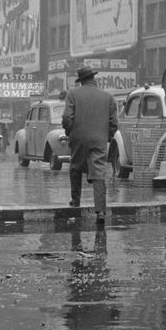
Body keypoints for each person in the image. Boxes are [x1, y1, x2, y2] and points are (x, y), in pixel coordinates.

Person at [62, 65, 119, 226]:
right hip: (99, 139)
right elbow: (114, 123)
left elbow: (67, 117)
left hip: (78, 138)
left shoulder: (72, 94)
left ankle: (75, 201)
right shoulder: (108, 97)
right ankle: (100, 211)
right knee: (99, 173)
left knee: (75, 166)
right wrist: (106, 137)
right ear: (94, 79)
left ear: (81, 81)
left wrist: (69, 131)